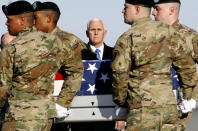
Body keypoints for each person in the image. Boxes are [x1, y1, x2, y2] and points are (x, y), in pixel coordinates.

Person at [111, 0, 197, 130]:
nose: (123, 11)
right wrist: (188, 97)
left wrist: (121, 103)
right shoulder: (170, 32)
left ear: (138, 9)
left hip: (141, 111)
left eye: (126, 7)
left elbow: (119, 74)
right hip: (169, 109)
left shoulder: (127, 38)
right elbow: (187, 67)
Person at [0, 1, 83, 131]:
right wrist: (63, 102)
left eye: (9, 20)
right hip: (45, 117)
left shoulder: (11, 49)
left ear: (22, 20)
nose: (6, 23)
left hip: (18, 118)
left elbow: (2, 87)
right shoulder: (56, 43)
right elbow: (76, 71)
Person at [32, 1, 86, 130]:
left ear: (49, 18)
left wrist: (62, 103)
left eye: (36, 18)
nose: (33, 22)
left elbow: (77, 72)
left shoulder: (69, 41)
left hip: (59, 106)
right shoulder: (31, 41)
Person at [152, 0, 198, 129]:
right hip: (155, 105)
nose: (153, 13)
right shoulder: (150, 38)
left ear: (171, 10)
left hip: (183, 107)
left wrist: (194, 98)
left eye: (157, 9)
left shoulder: (190, 36)